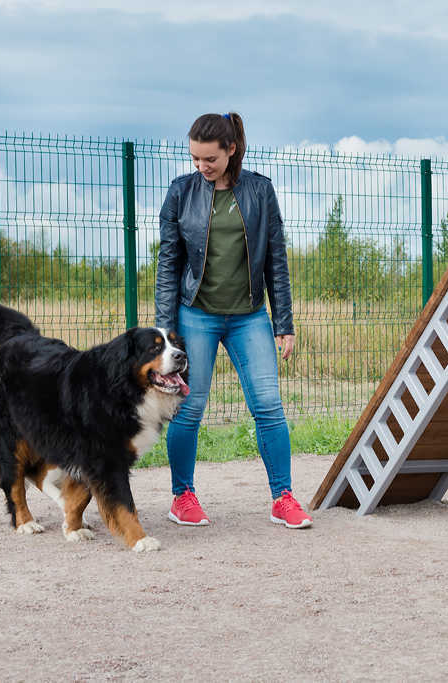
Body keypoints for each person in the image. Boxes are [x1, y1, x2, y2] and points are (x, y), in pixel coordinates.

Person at [155, 112, 312, 529]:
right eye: (194, 159)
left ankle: (283, 498)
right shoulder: (180, 193)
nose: (201, 167)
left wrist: (284, 322)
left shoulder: (260, 191)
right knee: (188, 409)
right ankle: (182, 497)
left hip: (250, 318)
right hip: (196, 315)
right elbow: (168, 265)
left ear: (231, 150)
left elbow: (276, 259)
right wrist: (164, 332)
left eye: (209, 159)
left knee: (269, 407)